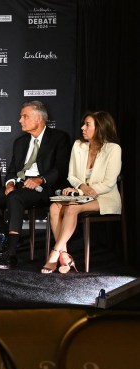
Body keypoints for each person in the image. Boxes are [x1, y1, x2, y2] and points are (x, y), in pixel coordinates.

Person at [0, 101, 71, 269]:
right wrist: (9, 183)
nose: (20, 120)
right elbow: (11, 170)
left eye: (24, 116)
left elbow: (60, 168)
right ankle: (12, 236)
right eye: (21, 116)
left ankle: (11, 256)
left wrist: (40, 179)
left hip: (42, 188)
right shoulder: (20, 142)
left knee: (15, 199)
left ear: (39, 118)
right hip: (18, 186)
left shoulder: (59, 138)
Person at [42, 111, 122, 273]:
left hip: (105, 197)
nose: (82, 128)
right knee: (54, 207)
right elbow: (72, 175)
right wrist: (81, 189)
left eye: (87, 124)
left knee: (72, 208)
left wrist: (82, 191)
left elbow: (109, 183)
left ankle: (54, 254)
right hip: (81, 194)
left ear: (100, 127)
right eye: (83, 124)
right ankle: (65, 256)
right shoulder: (79, 146)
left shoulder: (113, 149)